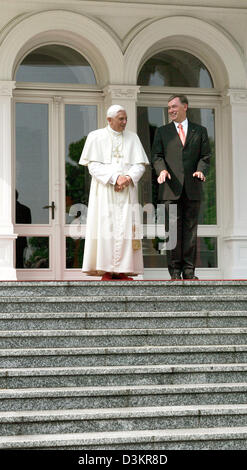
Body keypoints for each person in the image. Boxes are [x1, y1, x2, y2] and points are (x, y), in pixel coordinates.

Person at [79, 104, 149, 281]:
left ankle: (123, 270)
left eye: (126, 119)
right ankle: (107, 270)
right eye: (121, 119)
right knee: (105, 228)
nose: (125, 122)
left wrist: (128, 178)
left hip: (127, 193)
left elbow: (140, 165)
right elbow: (93, 166)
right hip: (105, 192)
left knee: (126, 228)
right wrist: (115, 178)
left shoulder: (133, 138)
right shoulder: (95, 137)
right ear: (109, 120)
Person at [152, 94, 211, 280]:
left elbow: (205, 156)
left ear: (185, 107)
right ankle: (175, 272)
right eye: (169, 107)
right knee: (172, 233)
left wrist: (201, 170)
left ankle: (189, 272)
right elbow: (157, 156)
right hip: (170, 189)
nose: (171, 110)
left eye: (174, 106)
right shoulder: (162, 132)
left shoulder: (200, 131)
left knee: (190, 232)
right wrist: (161, 171)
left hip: (193, 189)